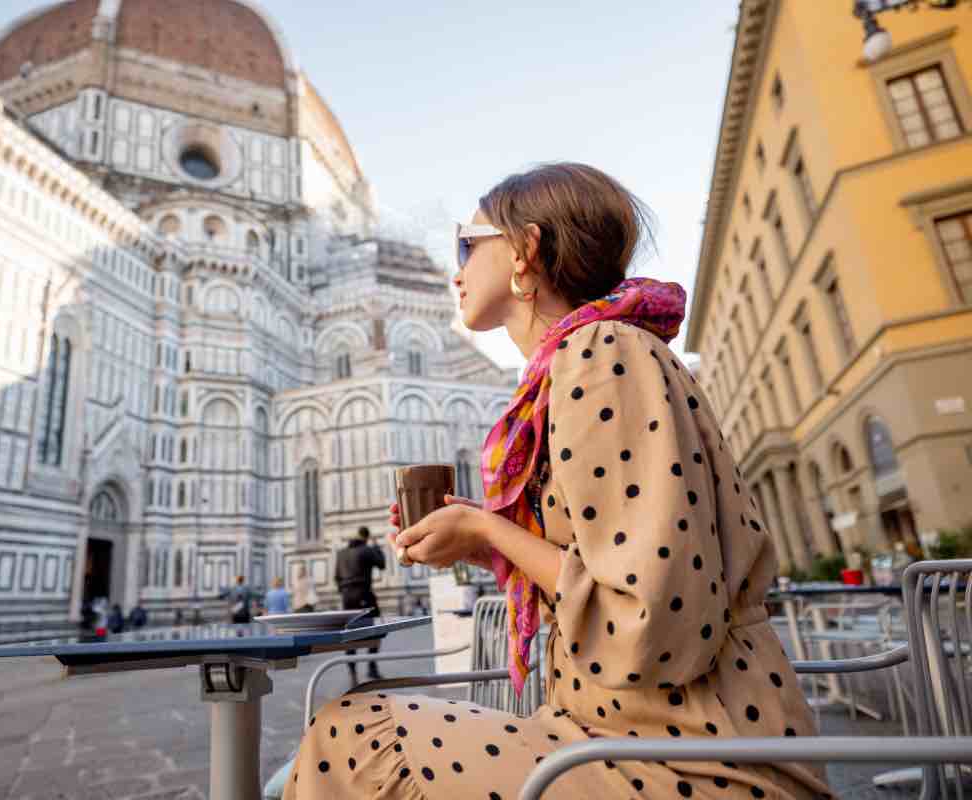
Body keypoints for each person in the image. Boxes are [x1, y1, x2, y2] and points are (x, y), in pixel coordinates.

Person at [286, 163, 832, 799]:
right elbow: (608, 568)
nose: (454, 268)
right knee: (354, 725)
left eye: (468, 241)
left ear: (526, 249)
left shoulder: (603, 354)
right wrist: (483, 540)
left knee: (355, 736)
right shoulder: (574, 368)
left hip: (695, 757)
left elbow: (653, 625)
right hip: (616, 735)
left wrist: (489, 527)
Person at [334, 525, 385, 684]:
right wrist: (376, 547)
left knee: (350, 634)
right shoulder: (367, 550)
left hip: (347, 598)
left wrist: (344, 591)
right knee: (376, 629)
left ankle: (352, 672)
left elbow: (336, 577)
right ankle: (371, 666)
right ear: (366, 537)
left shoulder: (341, 553)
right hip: (364, 594)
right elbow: (382, 564)